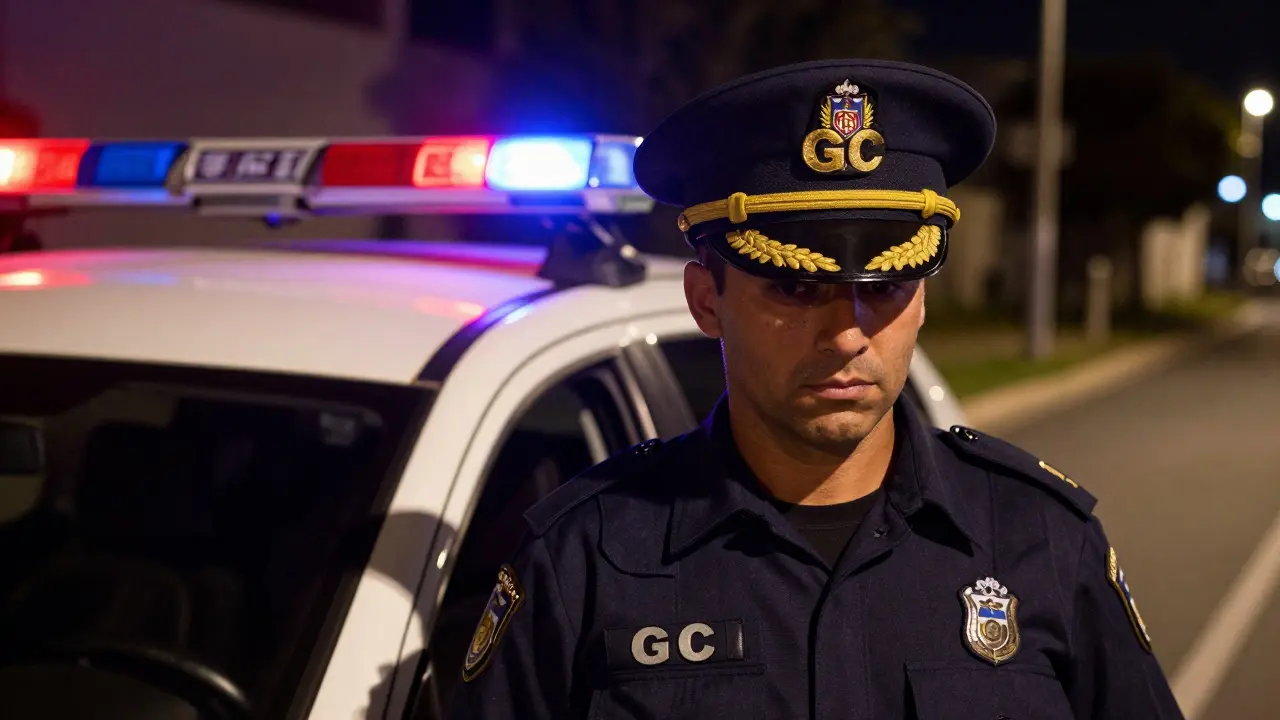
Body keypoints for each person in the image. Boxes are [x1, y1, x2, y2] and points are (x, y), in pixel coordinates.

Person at [447, 59, 1183, 719]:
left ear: (922, 298)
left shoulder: (1042, 539)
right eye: (796, 287)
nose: (847, 334)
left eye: (888, 285)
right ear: (707, 299)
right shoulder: (584, 557)